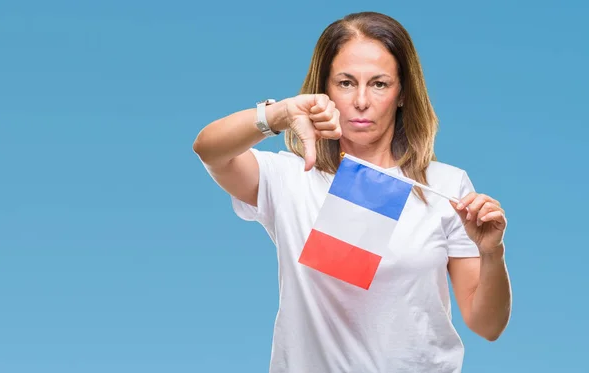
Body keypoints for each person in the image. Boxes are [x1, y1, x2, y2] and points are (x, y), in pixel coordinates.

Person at [192, 11, 512, 373]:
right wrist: (279, 114)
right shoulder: (290, 177)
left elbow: (487, 326)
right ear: (325, 88)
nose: (361, 100)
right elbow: (209, 149)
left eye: (379, 84)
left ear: (402, 92)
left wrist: (492, 252)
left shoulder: (446, 187)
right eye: (345, 83)